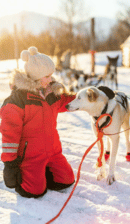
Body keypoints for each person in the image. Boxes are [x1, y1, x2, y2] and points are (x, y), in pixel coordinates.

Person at [0, 46, 76, 198]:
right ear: (35, 76)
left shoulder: (50, 93)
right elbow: (10, 134)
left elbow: (67, 102)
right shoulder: (18, 100)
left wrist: (85, 97)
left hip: (53, 151)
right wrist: (10, 164)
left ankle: (44, 171)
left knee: (67, 180)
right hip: (31, 155)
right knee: (34, 191)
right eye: (47, 76)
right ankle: (28, 175)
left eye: (51, 75)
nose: (51, 79)